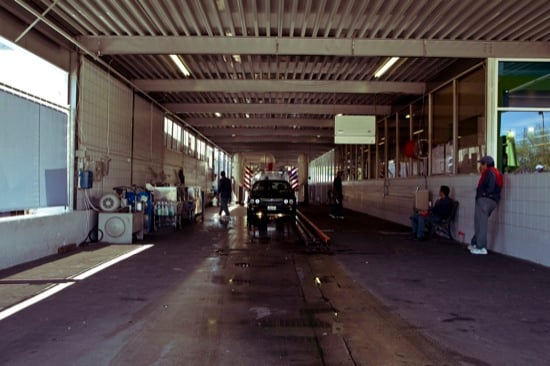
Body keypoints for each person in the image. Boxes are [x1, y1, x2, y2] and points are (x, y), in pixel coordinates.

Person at [469, 155, 503, 255]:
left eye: (482, 164)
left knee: (481, 224)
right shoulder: (496, 172)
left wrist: (484, 194)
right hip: (491, 201)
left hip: (485, 201)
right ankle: (475, 243)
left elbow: (491, 186)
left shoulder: (489, 172)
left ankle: (481, 247)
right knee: (480, 223)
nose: (481, 166)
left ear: (486, 164)